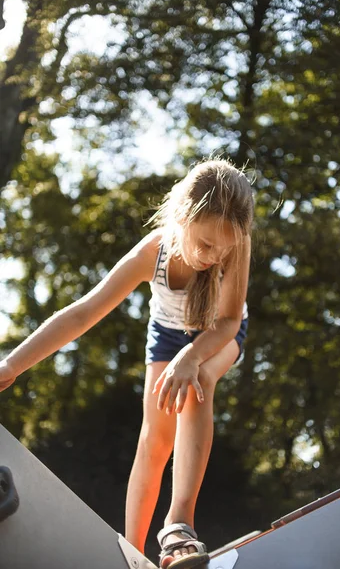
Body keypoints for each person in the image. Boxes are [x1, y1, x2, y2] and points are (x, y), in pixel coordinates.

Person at [0, 158, 254, 569]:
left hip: (218, 336)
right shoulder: (150, 253)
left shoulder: (235, 246)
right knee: (154, 439)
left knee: (199, 379)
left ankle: (178, 526)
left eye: (223, 247)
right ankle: (132, 554)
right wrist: (11, 365)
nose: (214, 255)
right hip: (168, 336)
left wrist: (191, 357)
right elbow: (84, 313)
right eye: (206, 244)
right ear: (181, 217)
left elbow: (227, 322)